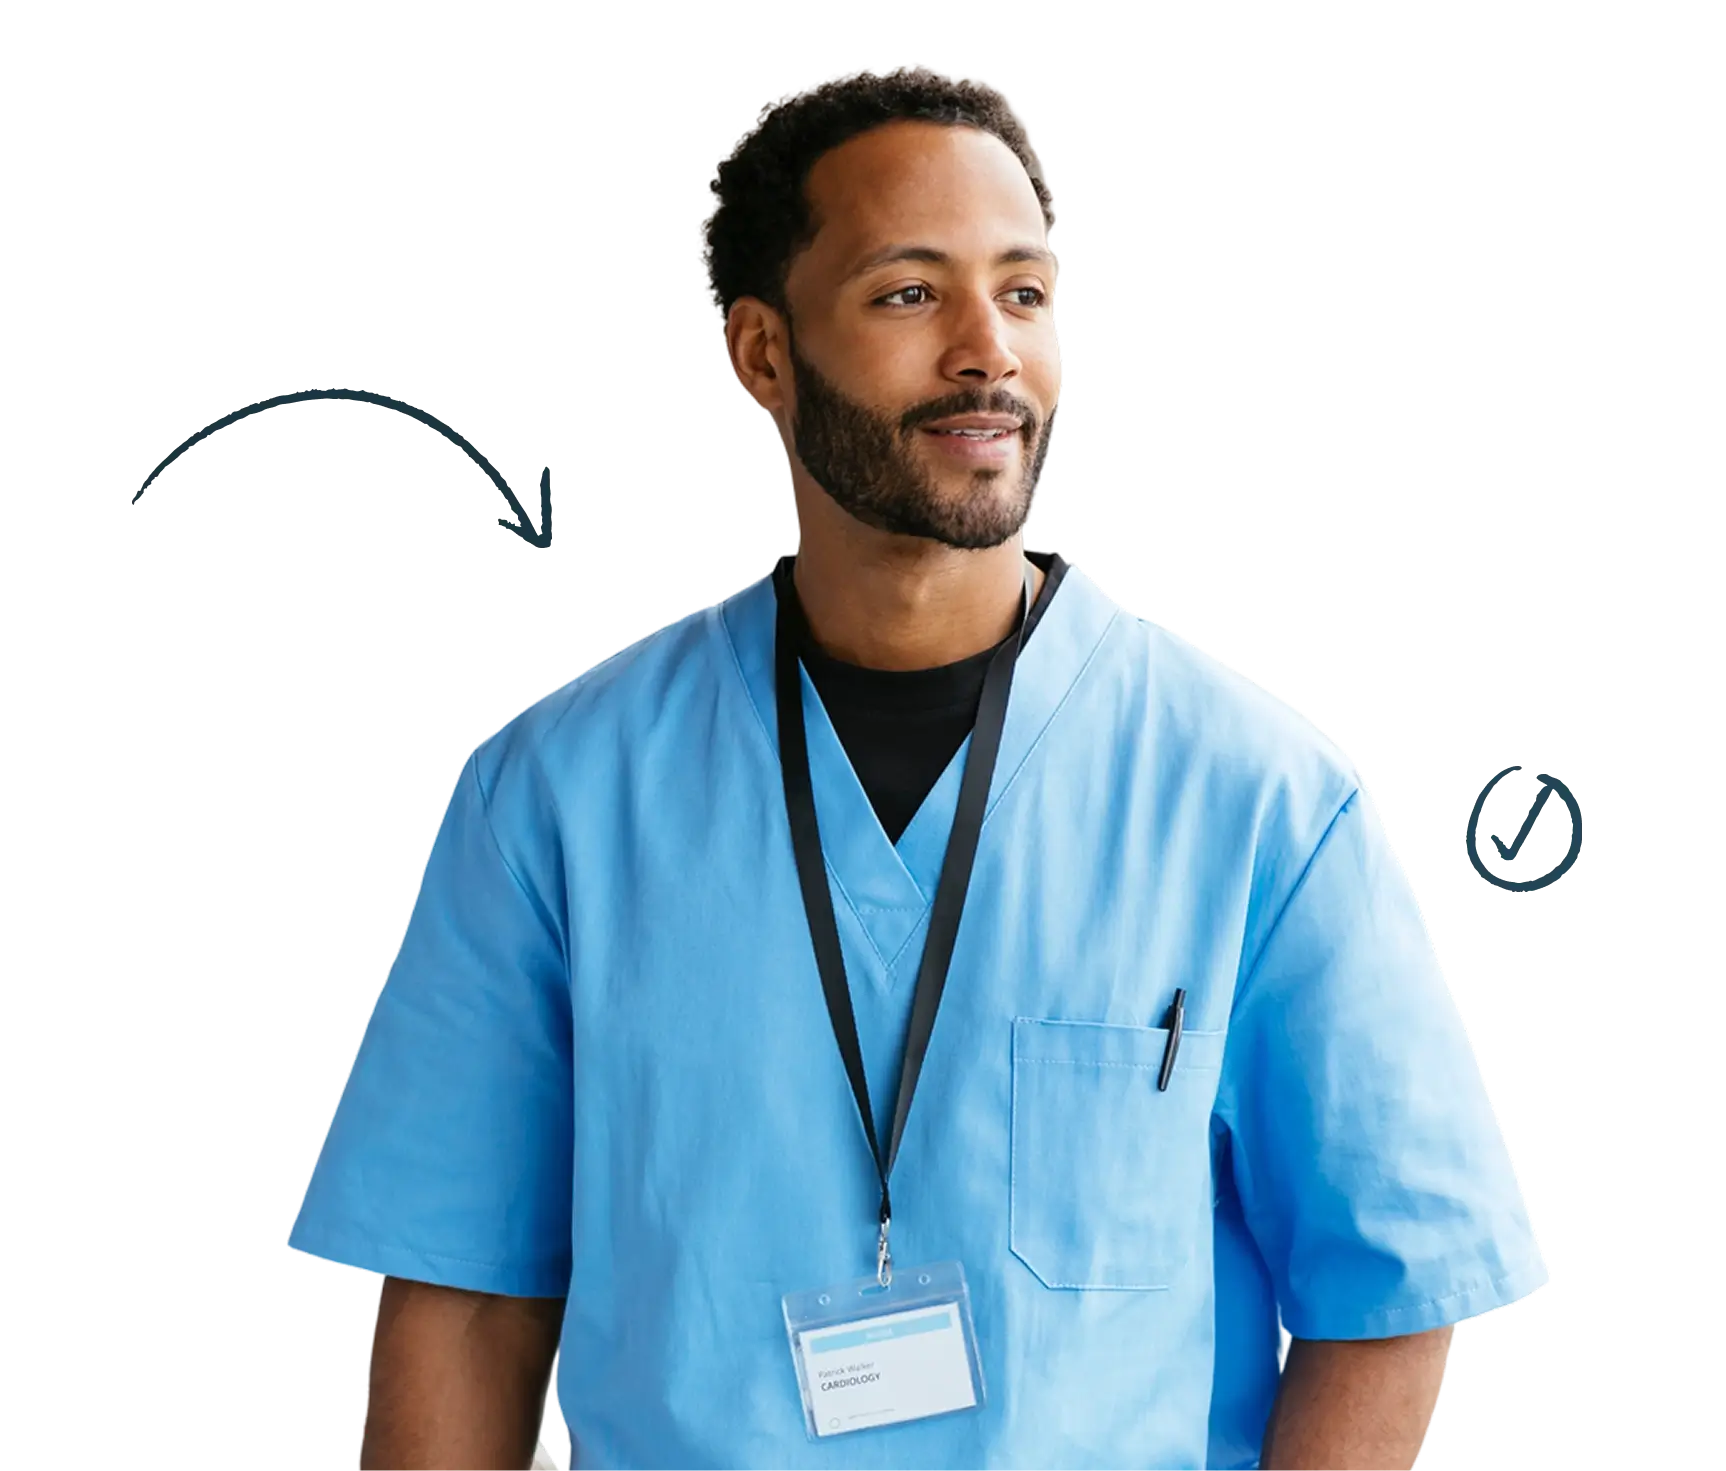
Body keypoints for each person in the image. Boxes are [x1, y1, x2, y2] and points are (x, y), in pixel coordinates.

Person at [285, 62, 1548, 1470]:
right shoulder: (559, 799)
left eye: (1022, 293)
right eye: (909, 293)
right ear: (763, 354)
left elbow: (1386, 1293)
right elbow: (462, 1300)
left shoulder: (1251, 793)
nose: (986, 351)